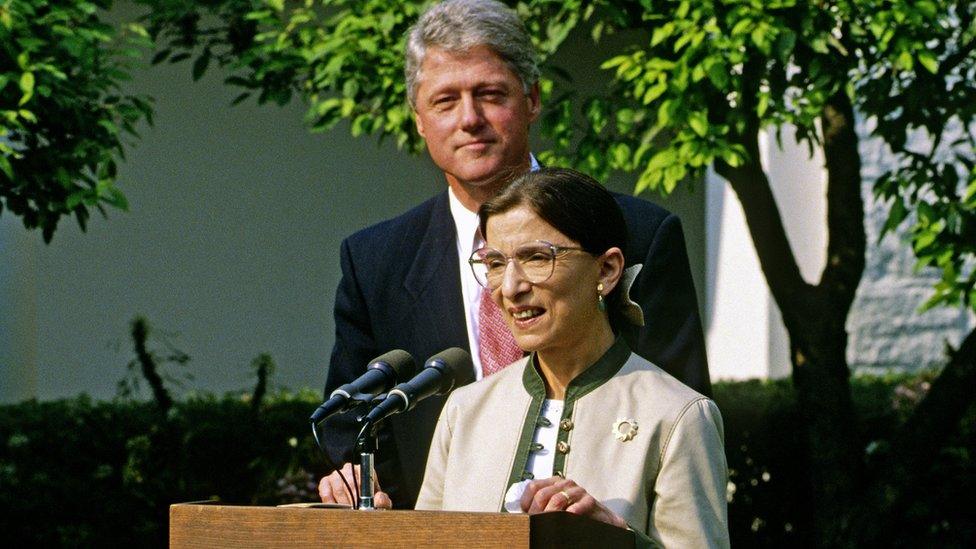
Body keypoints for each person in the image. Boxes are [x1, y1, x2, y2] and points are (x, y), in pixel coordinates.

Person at [319, 0, 710, 510]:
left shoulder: (638, 233)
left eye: (490, 95)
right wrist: (367, 490)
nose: (469, 119)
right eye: (444, 101)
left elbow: (680, 416)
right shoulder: (375, 260)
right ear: (418, 118)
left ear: (532, 99)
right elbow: (352, 422)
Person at [409, 168, 729, 547]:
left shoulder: (676, 416)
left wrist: (617, 539)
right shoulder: (464, 411)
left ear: (607, 270)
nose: (510, 288)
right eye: (495, 264)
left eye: (536, 258)